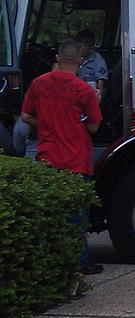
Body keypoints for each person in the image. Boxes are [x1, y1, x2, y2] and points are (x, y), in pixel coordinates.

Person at [19, 38, 103, 276]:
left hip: (47, 157)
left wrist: (46, 123)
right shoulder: (84, 90)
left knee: (50, 214)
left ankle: (50, 263)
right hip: (77, 159)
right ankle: (80, 264)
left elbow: (25, 116)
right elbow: (95, 127)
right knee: (77, 216)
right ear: (80, 61)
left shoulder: (39, 84)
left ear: (57, 59)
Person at [75, 28, 109, 102]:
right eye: (77, 47)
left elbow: (101, 80)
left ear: (91, 48)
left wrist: (99, 95)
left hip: (89, 93)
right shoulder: (74, 56)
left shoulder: (98, 61)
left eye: (81, 48)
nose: (79, 50)